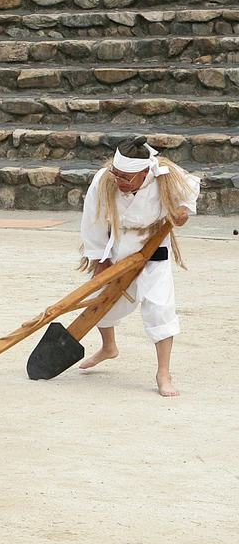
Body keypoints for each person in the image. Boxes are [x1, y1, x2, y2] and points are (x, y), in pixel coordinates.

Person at [78, 137, 199, 398]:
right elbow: (92, 220)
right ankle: (109, 348)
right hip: (119, 247)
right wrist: (100, 259)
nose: (119, 180)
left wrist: (182, 211)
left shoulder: (166, 176)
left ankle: (163, 373)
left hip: (153, 247)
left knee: (160, 307)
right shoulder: (104, 179)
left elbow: (190, 190)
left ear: (144, 172)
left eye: (126, 177)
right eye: (117, 174)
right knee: (98, 301)